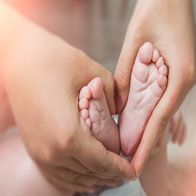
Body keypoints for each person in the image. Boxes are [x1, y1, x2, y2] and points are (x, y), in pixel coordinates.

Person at [0, 0, 195, 194]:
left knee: (15, 171)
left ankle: (140, 135)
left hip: (52, 155)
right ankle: (147, 137)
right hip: (58, 143)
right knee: (152, 181)